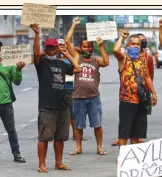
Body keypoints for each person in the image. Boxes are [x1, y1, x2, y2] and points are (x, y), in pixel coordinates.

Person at [30, 24, 81, 173]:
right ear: (46, 50)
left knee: (60, 138)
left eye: (54, 48)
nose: (52, 50)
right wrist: (37, 34)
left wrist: (66, 54)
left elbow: (77, 68)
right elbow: (35, 52)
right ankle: (42, 164)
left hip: (63, 106)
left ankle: (59, 163)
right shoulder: (42, 63)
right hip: (47, 107)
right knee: (44, 137)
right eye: (49, 48)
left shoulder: (62, 64)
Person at [65, 17, 109, 156]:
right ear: (81, 47)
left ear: (92, 47)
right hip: (78, 97)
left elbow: (106, 62)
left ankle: (99, 147)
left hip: (94, 98)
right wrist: (74, 24)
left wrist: (101, 45)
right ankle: (78, 147)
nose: (87, 49)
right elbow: (67, 41)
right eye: (84, 46)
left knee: (97, 124)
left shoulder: (96, 60)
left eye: (89, 46)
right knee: (79, 125)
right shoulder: (77, 57)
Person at [113, 31, 157, 147]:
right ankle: (122, 155)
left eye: (137, 44)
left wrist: (153, 93)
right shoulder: (123, 58)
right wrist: (122, 38)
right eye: (132, 44)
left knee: (136, 132)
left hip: (140, 100)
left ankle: (133, 155)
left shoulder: (142, 60)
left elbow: (147, 77)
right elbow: (116, 50)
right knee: (124, 130)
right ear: (127, 45)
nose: (135, 46)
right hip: (127, 100)